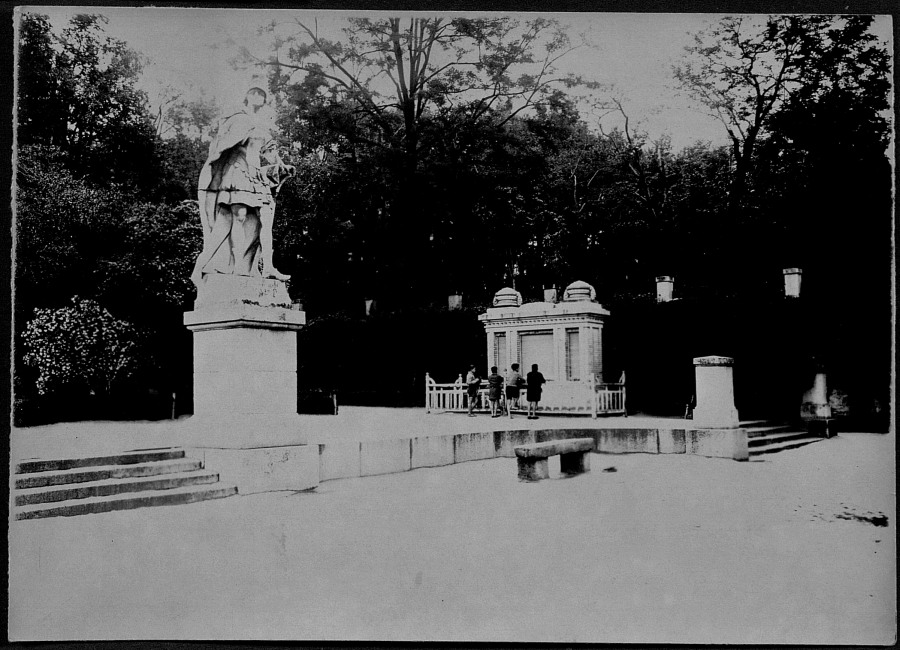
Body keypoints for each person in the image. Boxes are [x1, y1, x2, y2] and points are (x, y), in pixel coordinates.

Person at [191, 86, 294, 288]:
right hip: (238, 172)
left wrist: (281, 165)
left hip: (257, 176)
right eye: (254, 93)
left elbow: (269, 150)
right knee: (237, 217)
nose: (258, 97)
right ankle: (235, 266)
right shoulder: (238, 118)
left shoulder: (262, 125)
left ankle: (268, 267)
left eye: (262, 95)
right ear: (247, 96)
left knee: (266, 218)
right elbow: (223, 145)